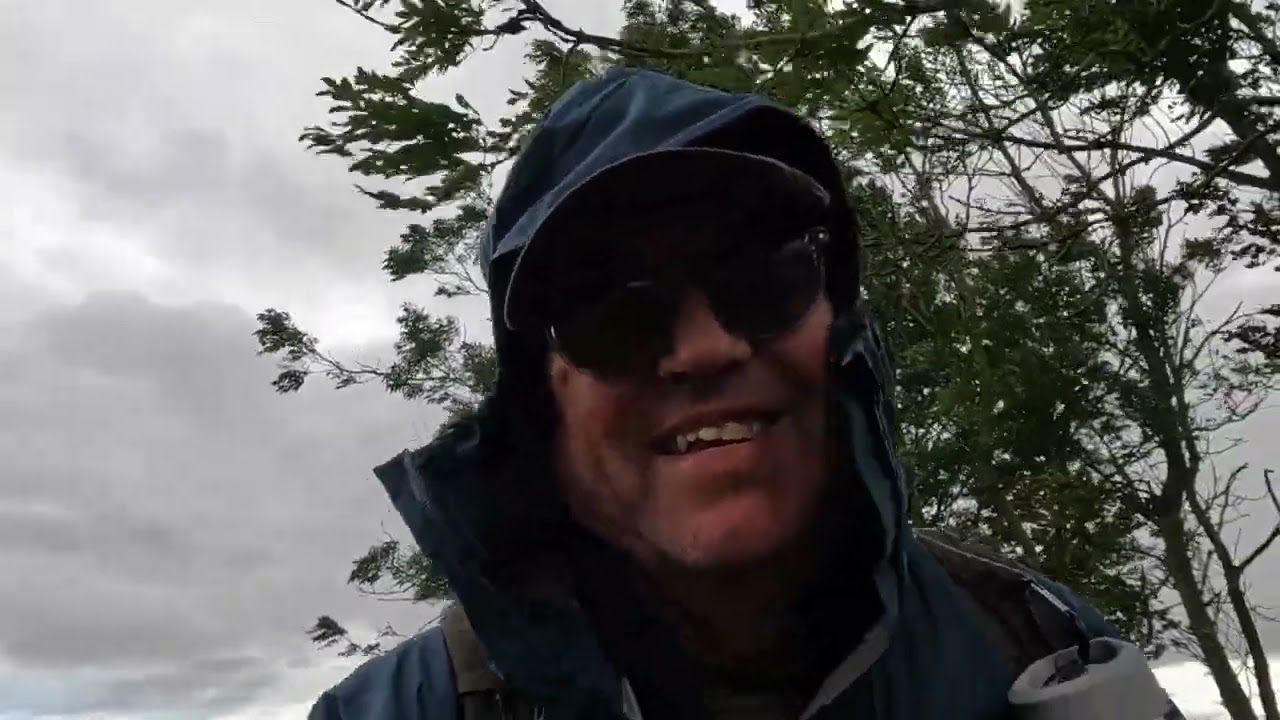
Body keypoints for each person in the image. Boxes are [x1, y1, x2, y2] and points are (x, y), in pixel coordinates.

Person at [309, 67, 1175, 720]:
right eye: (612, 316)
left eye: (764, 279)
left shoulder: (1037, 643)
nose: (705, 347)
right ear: (542, 403)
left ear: (839, 333)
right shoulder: (403, 709)